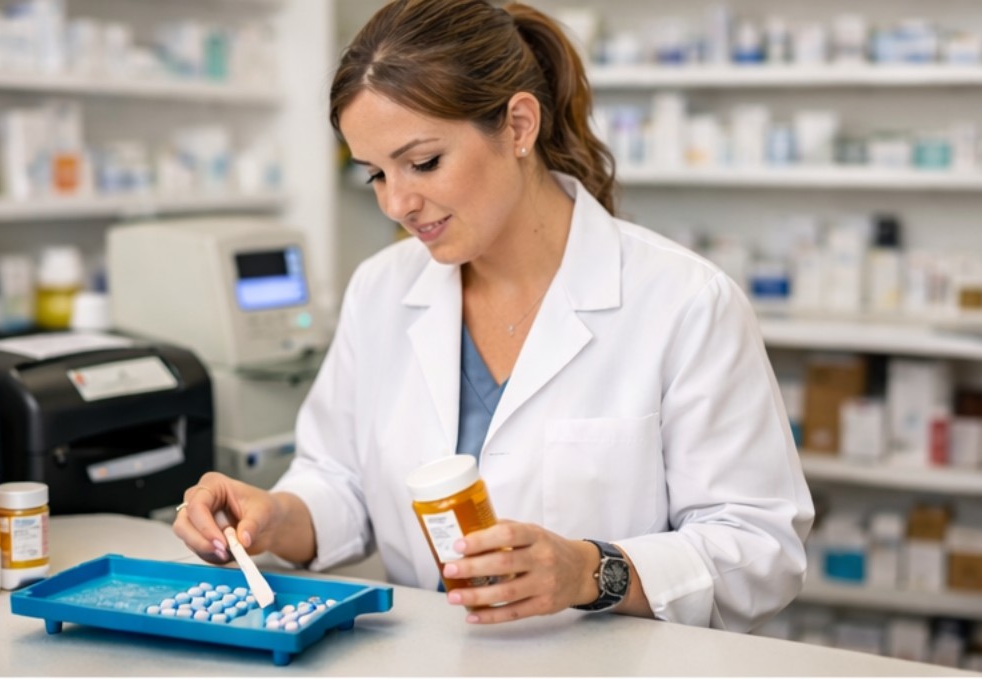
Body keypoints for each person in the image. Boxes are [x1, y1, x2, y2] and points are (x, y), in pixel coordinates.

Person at [174, 0, 814, 632]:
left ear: (517, 126)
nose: (398, 202)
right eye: (375, 174)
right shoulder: (382, 290)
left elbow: (759, 550)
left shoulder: (685, 302)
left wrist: (589, 570)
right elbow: (339, 482)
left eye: (423, 162)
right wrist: (272, 516)